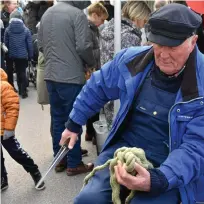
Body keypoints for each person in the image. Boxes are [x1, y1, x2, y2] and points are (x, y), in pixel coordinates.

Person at [61, 3, 204, 204]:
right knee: (88, 200)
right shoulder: (131, 60)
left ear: (193, 41)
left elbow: (199, 147)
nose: (163, 55)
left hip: (172, 167)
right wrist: (74, 123)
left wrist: (158, 179)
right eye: (158, 45)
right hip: (124, 153)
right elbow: (98, 85)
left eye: (173, 47)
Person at [38, 1, 96, 176]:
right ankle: (74, 161)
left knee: (57, 119)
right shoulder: (77, 14)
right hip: (70, 76)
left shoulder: (47, 13)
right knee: (74, 117)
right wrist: (91, 63)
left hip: (51, 74)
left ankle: (61, 157)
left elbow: (40, 44)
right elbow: (84, 46)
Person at [100, 0, 151, 130]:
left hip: (108, 88)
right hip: (122, 92)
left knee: (113, 129)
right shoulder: (130, 36)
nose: (143, 25)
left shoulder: (112, 29)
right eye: (144, 21)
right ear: (137, 16)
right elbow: (133, 68)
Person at [1, 68, 45, 191]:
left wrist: (9, 128)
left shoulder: (3, 86)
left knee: (16, 152)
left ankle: (34, 171)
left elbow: (12, 106)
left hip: (4, 129)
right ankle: (2, 178)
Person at [85, 2, 109, 142]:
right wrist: (93, 65)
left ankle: (90, 133)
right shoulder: (89, 29)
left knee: (93, 103)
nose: (102, 22)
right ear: (95, 15)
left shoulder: (92, 28)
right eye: (102, 19)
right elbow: (87, 49)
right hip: (91, 70)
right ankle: (92, 133)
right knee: (93, 103)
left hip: (92, 69)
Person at [4, 10, 33, 98]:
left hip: (11, 54)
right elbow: (29, 44)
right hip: (22, 55)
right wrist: (30, 55)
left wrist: (7, 55)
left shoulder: (8, 30)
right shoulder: (26, 30)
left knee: (10, 72)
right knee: (22, 72)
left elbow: (6, 43)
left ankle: (11, 90)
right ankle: (23, 91)